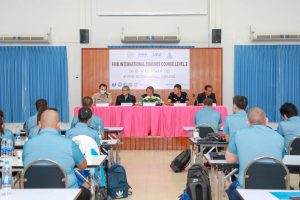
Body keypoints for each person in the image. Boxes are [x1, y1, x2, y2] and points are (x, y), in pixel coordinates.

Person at [225, 107, 284, 200]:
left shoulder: (238, 134)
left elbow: (230, 160)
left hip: (246, 188)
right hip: (275, 188)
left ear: (247, 122)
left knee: (230, 188)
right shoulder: (279, 137)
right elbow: (280, 160)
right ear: (266, 121)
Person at [22, 110, 88, 190]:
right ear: (58, 125)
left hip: (35, 194)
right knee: (86, 192)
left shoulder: (27, 145)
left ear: (39, 124)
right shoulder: (70, 144)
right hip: (66, 194)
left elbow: (25, 166)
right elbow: (83, 166)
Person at [66, 107, 102, 188]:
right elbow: (98, 151)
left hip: (74, 163)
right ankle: (98, 185)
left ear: (78, 118)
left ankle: (80, 182)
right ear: (89, 120)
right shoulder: (94, 133)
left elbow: (67, 149)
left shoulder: (69, 133)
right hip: (90, 162)